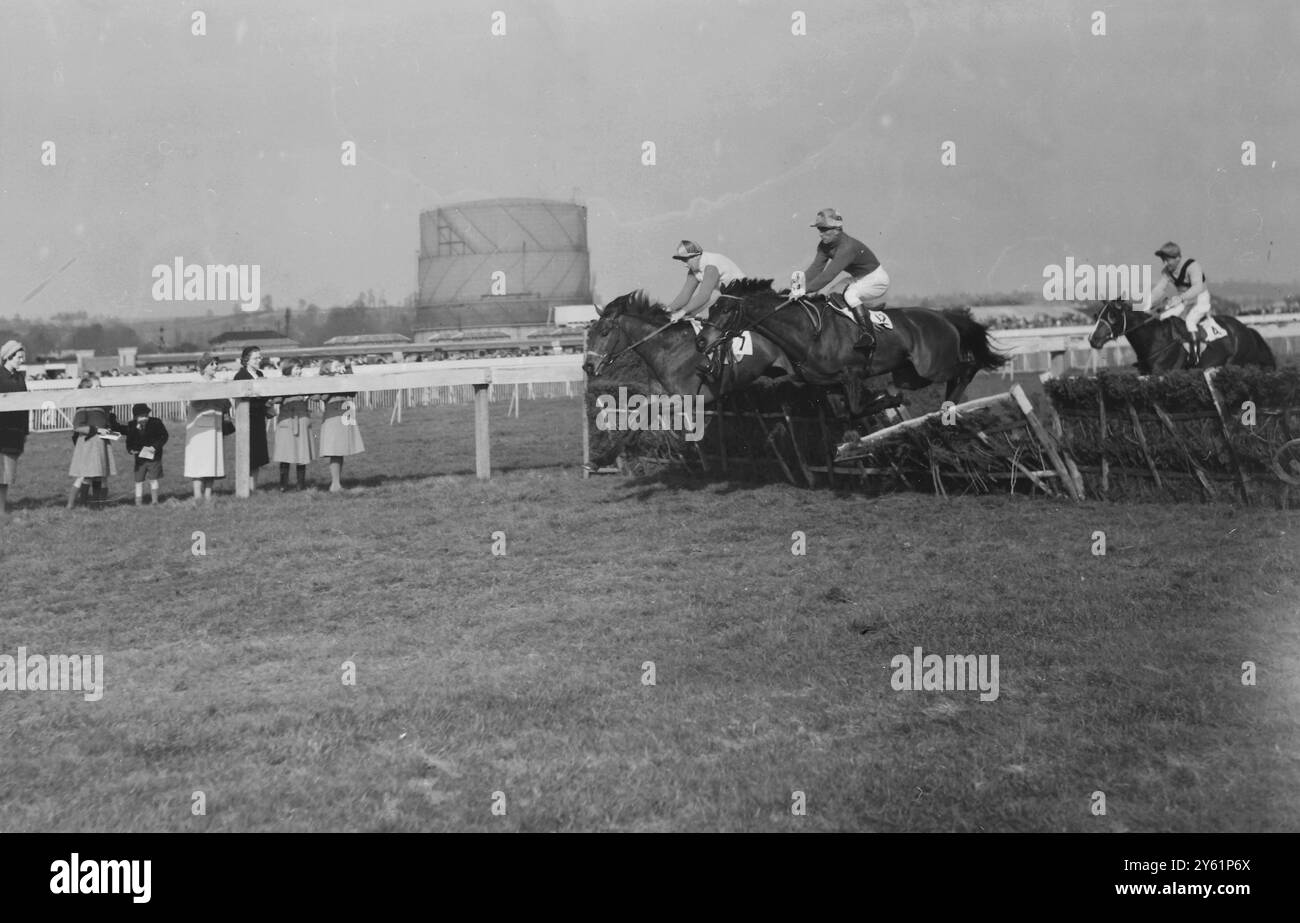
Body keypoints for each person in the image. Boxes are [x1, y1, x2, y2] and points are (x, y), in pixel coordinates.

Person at [799, 208, 891, 359]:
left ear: (837, 230)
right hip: (860, 277)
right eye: (819, 230)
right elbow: (815, 269)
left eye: (824, 229)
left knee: (850, 294)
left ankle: (869, 335)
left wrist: (804, 290)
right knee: (832, 294)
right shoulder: (824, 245)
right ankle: (863, 314)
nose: (820, 234)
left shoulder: (847, 247)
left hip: (876, 280)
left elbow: (828, 276)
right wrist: (797, 287)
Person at [67, 376, 126, 510]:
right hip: (89, 444)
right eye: (96, 387)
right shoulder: (83, 407)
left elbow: (107, 422)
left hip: (101, 444)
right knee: (85, 475)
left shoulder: (103, 407)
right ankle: (74, 503)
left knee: (100, 474)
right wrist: (96, 429)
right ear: (86, 390)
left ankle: (98, 504)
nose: (100, 389)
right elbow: (77, 426)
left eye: (101, 386)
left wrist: (109, 430)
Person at [1147, 242, 1212, 360]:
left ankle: (1195, 356)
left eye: (1167, 260)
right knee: (1164, 318)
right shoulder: (1166, 272)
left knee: (1190, 321)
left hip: (1200, 298)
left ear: (1178, 258)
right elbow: (1159, 289)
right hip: (1185, 300)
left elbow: (1197, 288)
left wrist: (1181, 298)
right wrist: (1146, 304)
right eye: (1163, 260)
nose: (1165, 263)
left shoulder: (1192, 266)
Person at [184, 352, 230, 503]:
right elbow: (196, 403)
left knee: (212, 461)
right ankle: (197, 495)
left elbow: (226, 404)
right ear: (203, 367)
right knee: (197, 461)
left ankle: (209, 494)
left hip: (215, 427)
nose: (215, 366)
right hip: (198, 429)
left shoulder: (219, 382)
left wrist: (221, 395)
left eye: (216, 363)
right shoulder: (195, 383)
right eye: (212, 364)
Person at [664, 240, 746, 324]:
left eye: (686, 260)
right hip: (725, 295)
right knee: (690, 314)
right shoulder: (694, 269)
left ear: (696, 256)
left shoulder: (711, 266)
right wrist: (667, 310)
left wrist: (681, 312)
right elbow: (684, 295)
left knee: (699, 316)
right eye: (683, 260)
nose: (685, 265)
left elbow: (704, 296)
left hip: (742, 295)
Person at [316, 358, 364, 493]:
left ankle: (336, 483)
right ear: (328, 369)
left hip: (344, 411)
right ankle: (335, 484)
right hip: (333, 414)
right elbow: (323, 397)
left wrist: (348, 370)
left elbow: (352, 392)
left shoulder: (342, 377)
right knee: (334, 450)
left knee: (340, 450)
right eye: (336, 366)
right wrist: (334, 380)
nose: (339, 367)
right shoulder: (324, 380)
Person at [270, 358, 317, 491]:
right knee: (285, 452)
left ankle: (300, 484)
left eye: (300, 368)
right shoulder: (281, 383)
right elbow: (276, 399)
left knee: (302, 452)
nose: (299, 371)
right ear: (289, 369)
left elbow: (315, 396)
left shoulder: (305, 383)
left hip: (302, 419)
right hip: (287, 420)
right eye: (296, 368)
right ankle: (283, 484)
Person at [233, 346, 272, 492]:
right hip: (246, 418)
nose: (259, 360)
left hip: (259, 418)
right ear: (246, 360)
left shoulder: (260, 374)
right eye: (256, 358)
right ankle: (245, 486)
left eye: (260, 357)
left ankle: (254, 486)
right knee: (247, 453)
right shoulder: (240, 376)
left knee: (257, 455)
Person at [0, 340, 29, 515]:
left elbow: (25, 404)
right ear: (8, 357)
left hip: (14, 432)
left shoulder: (20, 378)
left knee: (5, 476)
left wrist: (25, 430)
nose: (21, 360)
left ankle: (1, 510)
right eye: (19, 357)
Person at [125, 402, 170, 506]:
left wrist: (154, 447)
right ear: (136, 417)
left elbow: (164, 436)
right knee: (138, 481)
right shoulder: (131, 425)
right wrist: (131, 450)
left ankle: (155, 501)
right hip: (139, 459)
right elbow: (129, 441)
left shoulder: (156, 422)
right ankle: (138, 502)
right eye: (141, 416)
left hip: (154, 457)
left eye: (146, 415)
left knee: (153, 479)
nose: (145, 418)